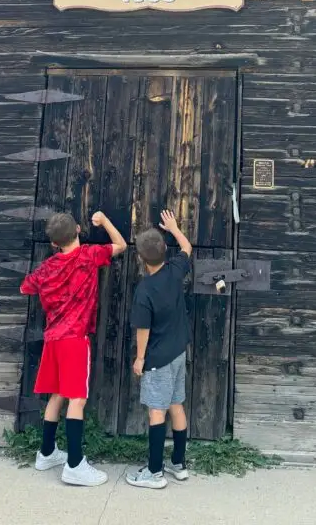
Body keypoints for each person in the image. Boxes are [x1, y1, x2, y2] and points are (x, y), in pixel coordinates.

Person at [20, 210, 127, 487]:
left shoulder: (47, 268)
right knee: (77, 399)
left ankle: (46, 452)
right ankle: (75, 465)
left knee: (56, 395)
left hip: (53, 339)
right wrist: (104, 222)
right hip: (74, 339)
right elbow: (121, 245)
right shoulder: (89, 256)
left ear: (54, 244)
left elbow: (25, 288)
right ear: (78, 229)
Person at [126, 209, 192, 490]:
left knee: (157, 411)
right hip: (178, 353)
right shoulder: (175, 270)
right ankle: (179, 464)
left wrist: (140, 359)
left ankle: (153, 472)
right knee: (176, 406)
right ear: (165, 249)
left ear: (141, 258)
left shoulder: (145, 291)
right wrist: (174, 228)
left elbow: (143, 330)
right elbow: (187, 248)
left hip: (157, 359)